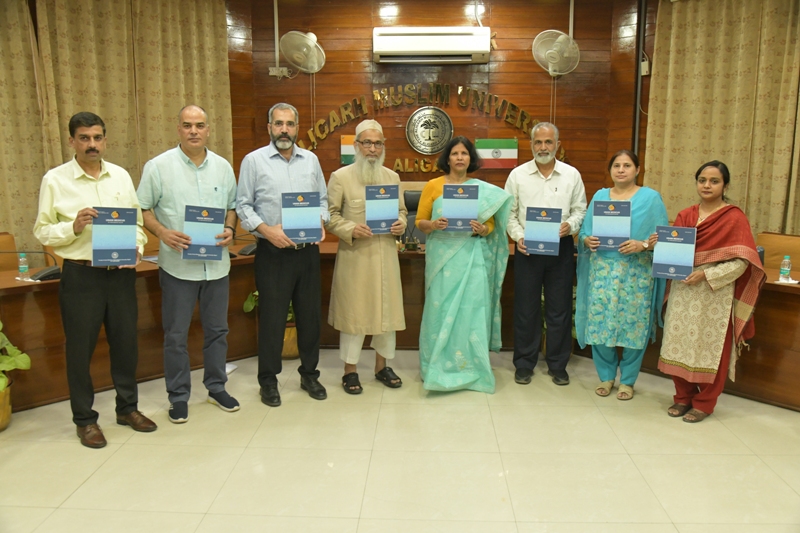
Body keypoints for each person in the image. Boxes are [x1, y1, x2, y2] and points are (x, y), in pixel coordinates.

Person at [33, 111, 157, 448]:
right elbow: (42, 230)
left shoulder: (119, 176)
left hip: (119, 277)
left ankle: (127, 409)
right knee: (80, 350)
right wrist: (72, 225)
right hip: (81, 276)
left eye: (97, 137)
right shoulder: (55, 180)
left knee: (125, 344)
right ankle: (85, 420)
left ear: (105, 139)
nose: (92, 144)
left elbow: (134, 224)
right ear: (72, 141)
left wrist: (137, 247)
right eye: (84, 138)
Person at [137, 105, 239, 423]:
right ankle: (178, 396)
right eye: (187, 125)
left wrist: (231, 229)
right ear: (178, 129)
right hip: (178, 267)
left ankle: (216, 387)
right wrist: (163, 232)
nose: (194, 130)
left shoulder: (223, 168)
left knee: (217, 331)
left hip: (217, 266)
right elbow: (142, 209)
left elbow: (232, 208)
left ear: (209, 129)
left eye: (200, 125)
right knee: (176, 335)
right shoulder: (158, 167)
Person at [236, 102, 328, 407]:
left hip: (307, 253)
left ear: (297, 127)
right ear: (269, 128)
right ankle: (268, 381)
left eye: (289, 124)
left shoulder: (311, 160)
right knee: (273, 319)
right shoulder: (254, 161)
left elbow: (323, 201)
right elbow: (243, 205)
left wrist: (321, 221)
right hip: (272, 252)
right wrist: (265, 229)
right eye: (278, 124)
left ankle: (309, 374)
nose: (284, 129)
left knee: (309, 317)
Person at [658, 161, 765, 422]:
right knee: (678, 342)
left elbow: (742, 262)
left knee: (711, 347)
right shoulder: (686, 214)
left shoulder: (734, 218)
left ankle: (704, 403)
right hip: (683, 290)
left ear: (725, 185)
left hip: (714, 293)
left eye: (714, 181)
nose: (706, 185)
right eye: (702, 180)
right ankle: (682, 398)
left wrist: (706, 274)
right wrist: (658, 246)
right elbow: (674, 250)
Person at [415, 136, 512, 393]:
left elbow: (492, 225)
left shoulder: (482, 189)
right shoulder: (433, 186)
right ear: (447, 158)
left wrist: (483, 228)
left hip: (471, 256)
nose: (460, 158)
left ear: (471, 159)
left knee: (471, 310)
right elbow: (420, 222)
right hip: (442, 258)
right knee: (439, 310)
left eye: (464, 154)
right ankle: (434, 366)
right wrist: (433, 225)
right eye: (455, 153)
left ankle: (472, 368)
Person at [576, 150, 668, 400]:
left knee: (633, 325)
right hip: (602, 271)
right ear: (610, 170)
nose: (621, 170)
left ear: (638, 170)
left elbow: (663, 237)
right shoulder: (600, 196)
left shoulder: (651, 199)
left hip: (635, 273)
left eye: (627, 165)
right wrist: (588, 239)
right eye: (616, 165)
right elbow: (584, 231)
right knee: (600, 323)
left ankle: (628, 380)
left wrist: (643, 245)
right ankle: (605, 376)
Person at [325, 119, 407, 394]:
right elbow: (330, 216)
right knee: (354, 315)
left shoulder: (392, 177)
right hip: (356, 256)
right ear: (357, 145)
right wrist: (351, 228)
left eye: (378, 143)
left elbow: (402, 212)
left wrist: (401, 224)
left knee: (386, 314)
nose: (373, 149)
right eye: (367, 143)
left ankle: (382, 366)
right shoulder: (341, 176)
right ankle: (350, 371)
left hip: (385, 255)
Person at [505, 122, 587, 386]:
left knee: (559, 308)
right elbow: (509, 213)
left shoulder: (572, 174)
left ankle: (557, 364)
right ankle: (524, 364)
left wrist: (570, 226)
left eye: (548, 142)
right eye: (538, 142)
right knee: (526, 309)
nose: (543, 147)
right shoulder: (517, 175)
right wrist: (518, 237)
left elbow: (580, 210)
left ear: (557, 145)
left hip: (560, 248)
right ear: (531, 145)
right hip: (528, 249)